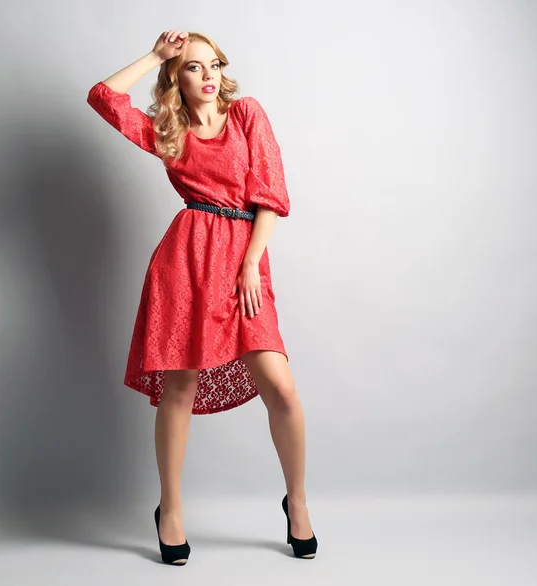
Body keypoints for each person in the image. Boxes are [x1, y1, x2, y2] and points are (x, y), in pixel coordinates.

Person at [86, 30, 317, 564]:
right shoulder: (168, 130)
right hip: (185, 264)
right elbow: (102, 97)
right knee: (180, 387)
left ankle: (298, 502)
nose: (208, 76)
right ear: (176, 77)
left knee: (280, 388)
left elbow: (271, 196)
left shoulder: (247, 115)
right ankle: (170, 510)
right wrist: (153, 55)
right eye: (193, 67)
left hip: (243, 264)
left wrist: (251, 265)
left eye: (213, 65)